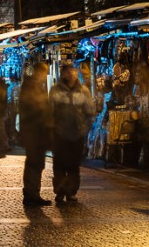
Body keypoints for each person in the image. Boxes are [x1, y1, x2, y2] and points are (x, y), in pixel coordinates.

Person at [51, 63, 95, 203]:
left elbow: (89, 112)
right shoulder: (55, 90)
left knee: (74, 165)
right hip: (60, 134)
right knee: (59, 165)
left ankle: (71, 192)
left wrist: (84, 129)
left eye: (73, 71)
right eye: (68, 71)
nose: (71, 74)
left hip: (77, 134)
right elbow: (49, 111)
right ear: (63, 74)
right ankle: (60, 191)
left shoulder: (83, 91)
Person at [19, 62, 52, 206]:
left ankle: (32, 193)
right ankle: (32, 194)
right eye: (44, 73)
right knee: (35, 163)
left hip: (35, 131)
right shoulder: (32, 87)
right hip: (34, 132)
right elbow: (34, 110)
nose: (45, 76)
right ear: (39, 73)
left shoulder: (33, 86)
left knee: (36, 163)